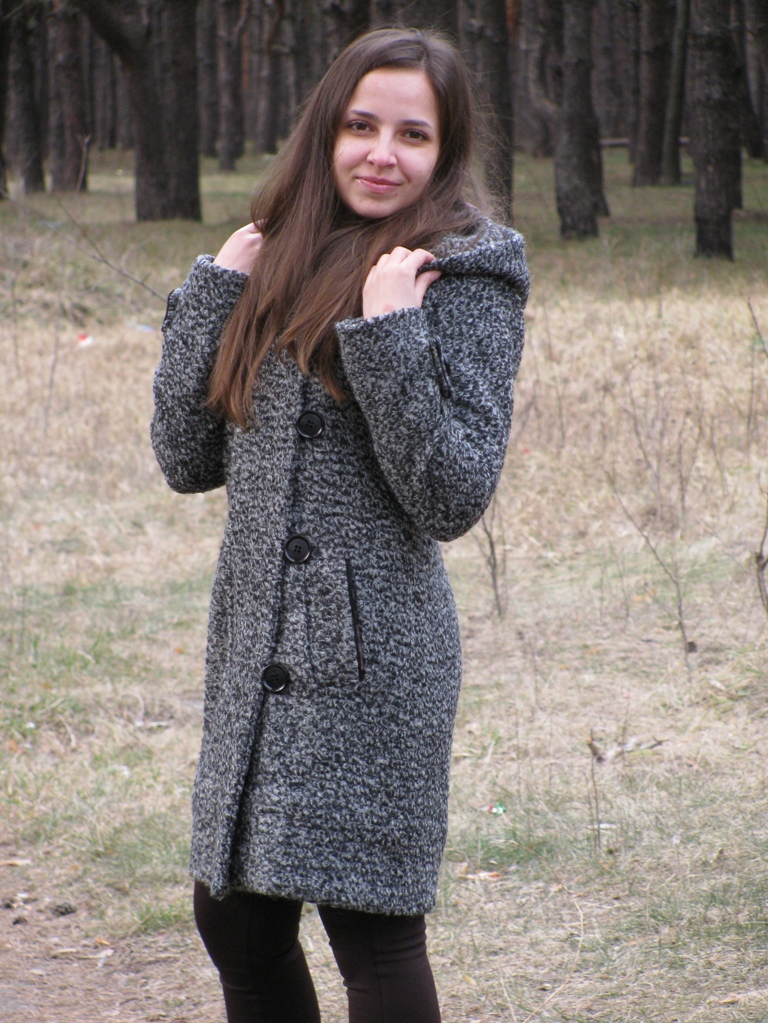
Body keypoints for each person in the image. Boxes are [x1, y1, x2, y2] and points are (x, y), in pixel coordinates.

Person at [151, 26, 528, 1023]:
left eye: (413, 134)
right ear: (325, 131)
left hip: (372, 662)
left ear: (445, 149)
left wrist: (392, 329)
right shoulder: (274, 253)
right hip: (255, 646)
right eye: (361, 125)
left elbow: (452, 496)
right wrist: (214, 292)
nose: (381, 153)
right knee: (236, 921)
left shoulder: (468, 272)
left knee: (372, 933)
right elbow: (186, 460)